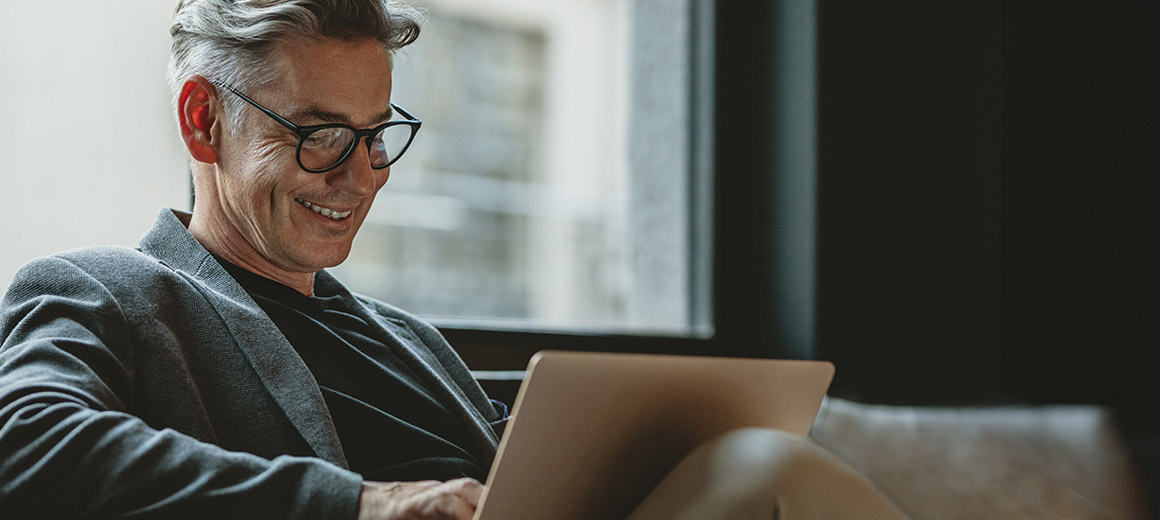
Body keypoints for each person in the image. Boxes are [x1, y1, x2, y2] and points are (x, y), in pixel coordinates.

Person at [0, 1, 908, 518]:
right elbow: (27, 450)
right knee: (767, 471)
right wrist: (363, 508)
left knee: (755, 462)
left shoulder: (411, 343)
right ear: (204, 120)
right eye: (320, 136)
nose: (361, 177)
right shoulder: (104, 293)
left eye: (377, 135)